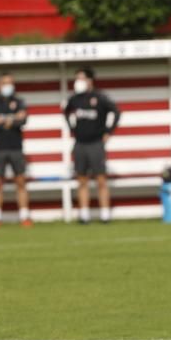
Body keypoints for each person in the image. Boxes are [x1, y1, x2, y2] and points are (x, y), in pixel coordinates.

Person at [63, 67, 120, 224]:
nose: (78, 82)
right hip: (80, 143)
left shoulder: (100, 97)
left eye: (81, 78)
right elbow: (66, 112)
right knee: (82, 180)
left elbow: (116, 111)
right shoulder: (74, 99)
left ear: (90, 80)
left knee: (101, 179)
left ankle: (105, 214)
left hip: (96, 143)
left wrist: (108, 132)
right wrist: (72, 129)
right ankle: (84, 214)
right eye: (77, 79)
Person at [0, 71, 31, 228]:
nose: (8, 86)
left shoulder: (19, 101)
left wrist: (5, 119)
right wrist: (13, 118)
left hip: (16, 148)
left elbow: (23, 120)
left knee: (20, 181)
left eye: (10, 82)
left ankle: (25, 216)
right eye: (4, 83)